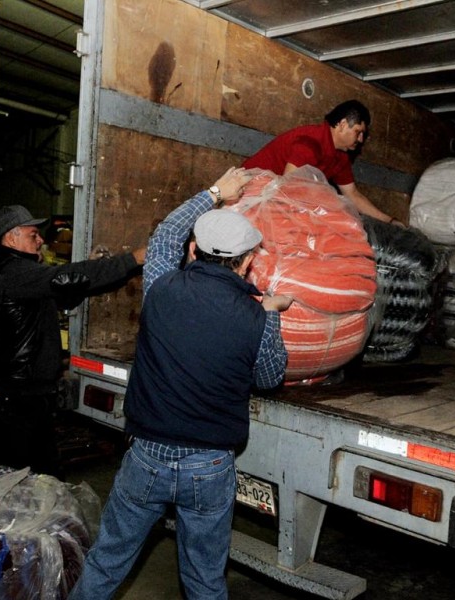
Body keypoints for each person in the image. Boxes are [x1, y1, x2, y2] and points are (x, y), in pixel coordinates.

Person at [69, 167, 292, 600]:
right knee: (205, 580)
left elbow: (166, 233)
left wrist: (214, 193)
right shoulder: (256, 316)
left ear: (194, 251)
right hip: (209, 467)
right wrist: (272, 314)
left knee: (107, 561)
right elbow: (269, 377)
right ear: (247, 263)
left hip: (146, 456)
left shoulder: (161, 287)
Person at [0, 204, 145, 477]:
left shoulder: (22, 275)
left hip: (27, 398)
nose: (41, 240)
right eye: (34, 235)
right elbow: (65, 278)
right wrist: (133, 259)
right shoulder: (12, 274)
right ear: (11, 238)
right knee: (12, 482)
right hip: (12, 403)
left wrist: (97, 267)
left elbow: (65, 295)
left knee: (38, 478)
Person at [243, 99, 405, 226]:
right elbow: (289, 187)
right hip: (247, 196)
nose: (361, 139)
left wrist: (389, 220)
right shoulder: (310, 143)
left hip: (274, 204)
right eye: (358, 132)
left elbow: (353, 195)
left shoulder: (341, 157)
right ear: (342, 125)